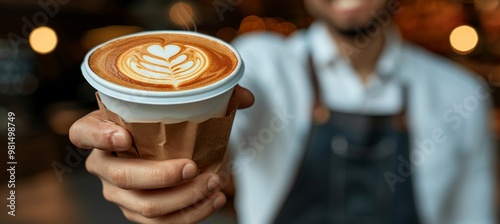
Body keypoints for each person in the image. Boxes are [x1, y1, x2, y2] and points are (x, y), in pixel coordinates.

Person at [70, 0, 496, 223]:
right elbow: (213, 153)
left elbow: (473, 217)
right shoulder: (260, 64)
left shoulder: (461, 94)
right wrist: (144, 163)